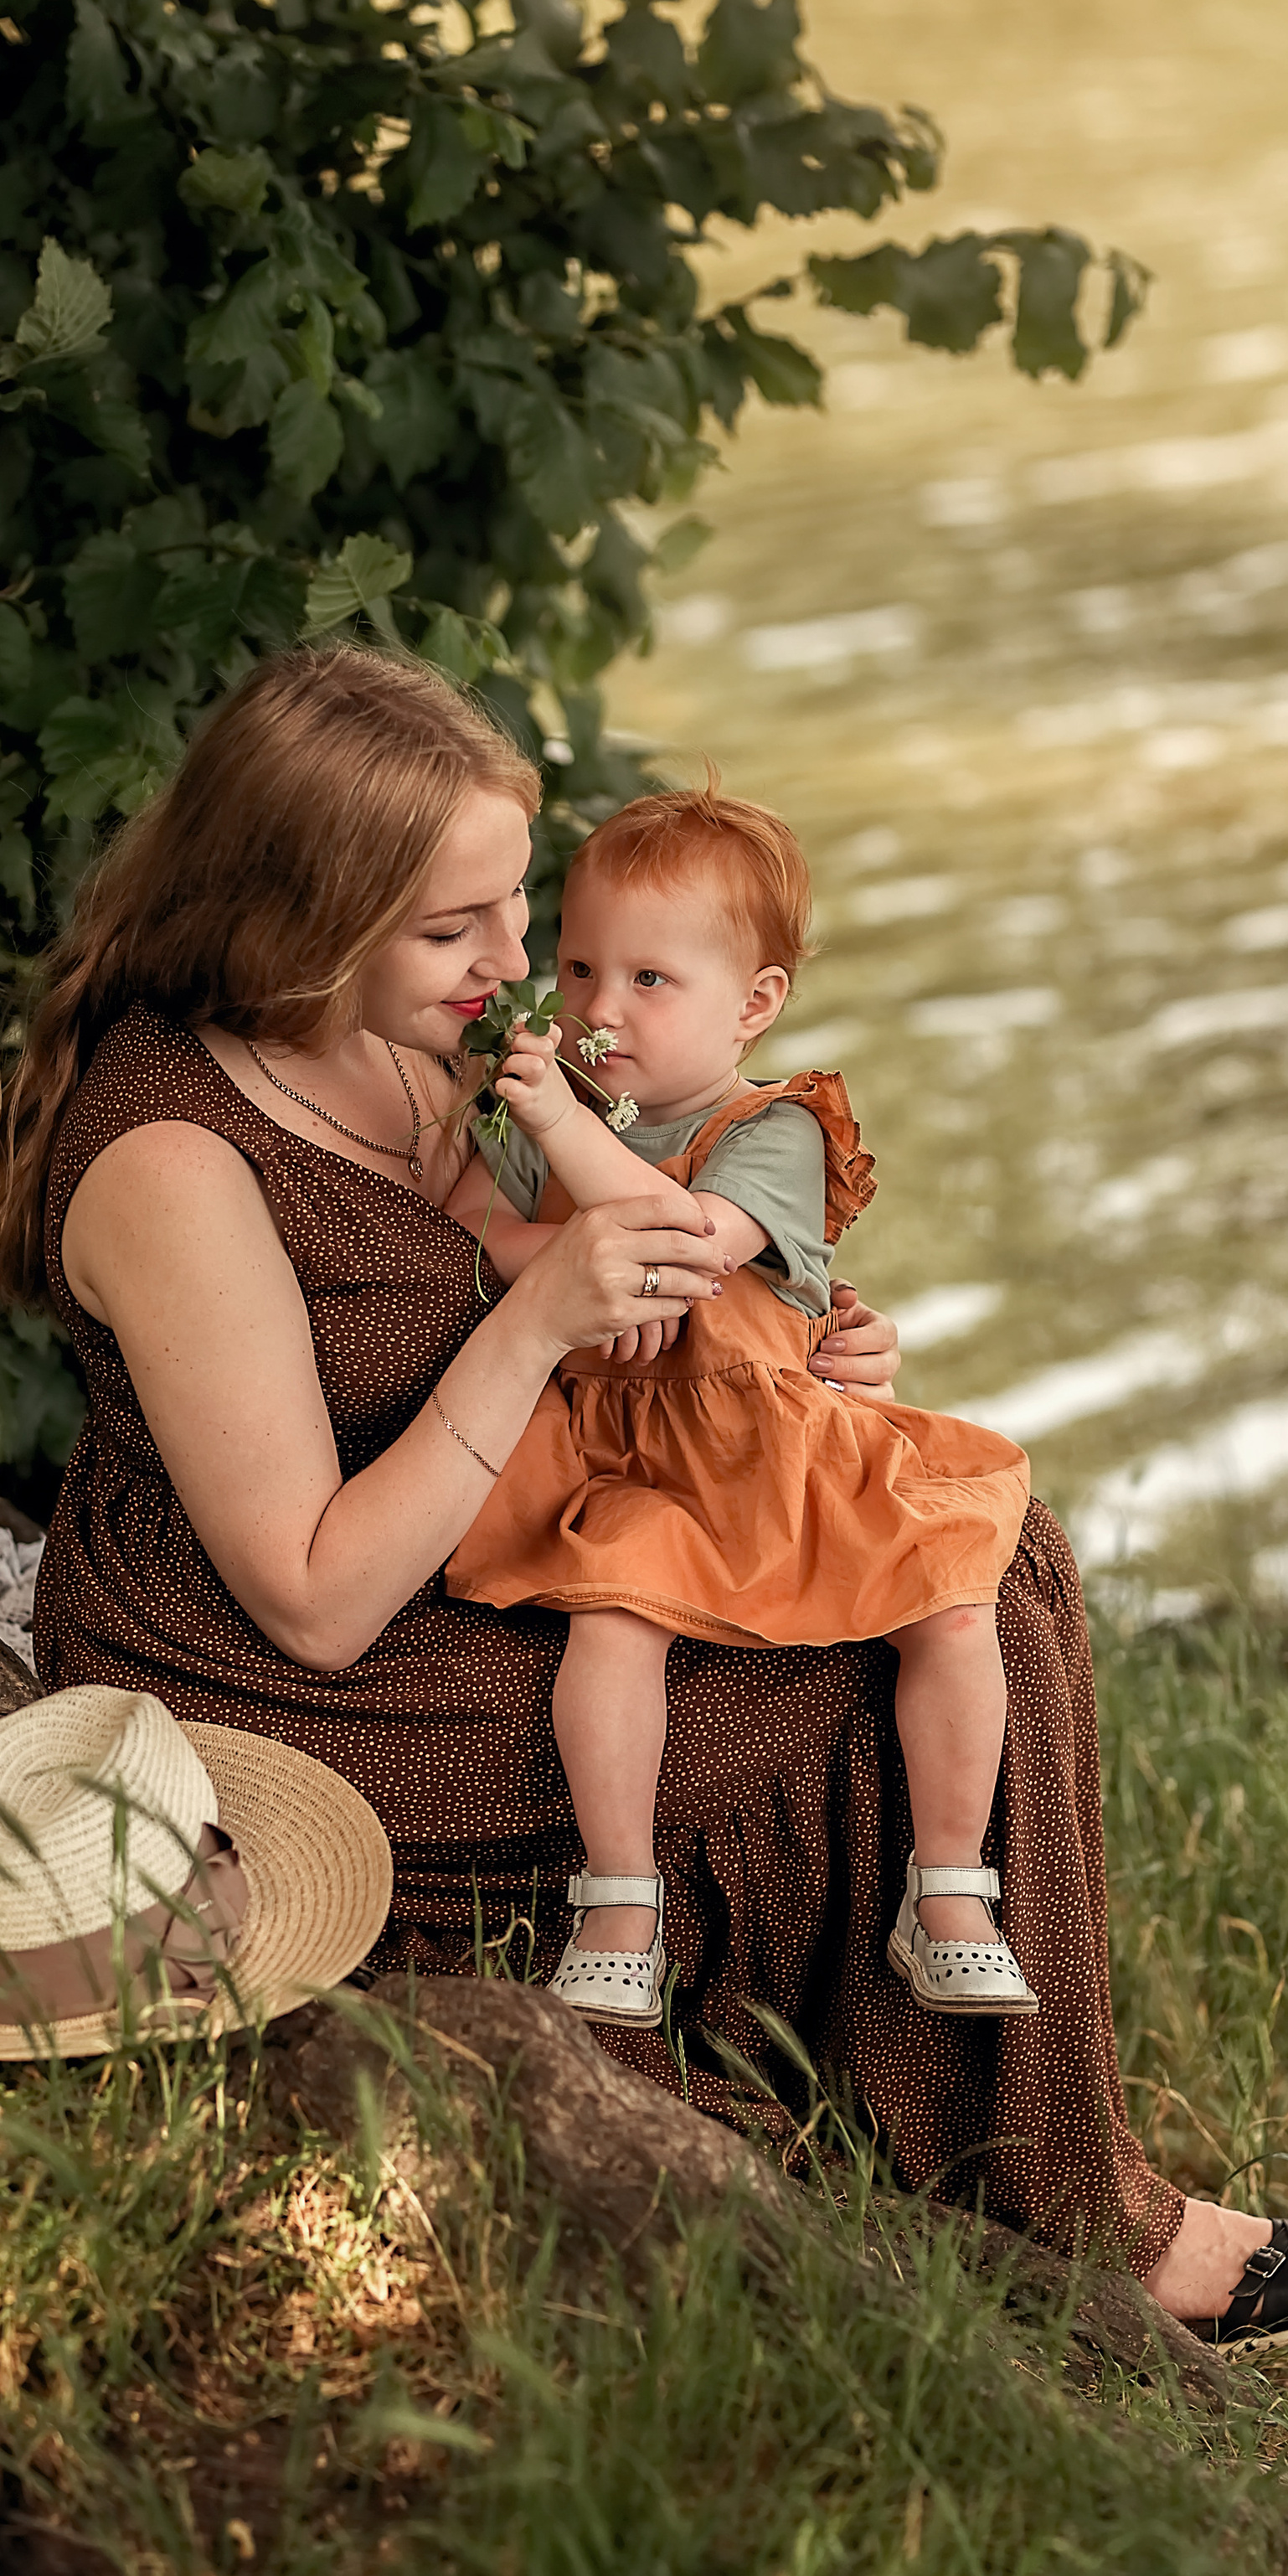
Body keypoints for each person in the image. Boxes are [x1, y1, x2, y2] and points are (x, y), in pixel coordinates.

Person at [0, 638, 1288, 2352]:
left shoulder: (416, 1048)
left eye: (515, 909)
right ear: (298, 922)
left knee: (977, 1551)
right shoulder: (172, 1167)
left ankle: (1031, 2158)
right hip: (291, 1685)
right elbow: (313, 1595)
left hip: (490, 1549)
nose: (516, 969)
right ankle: (1048, 2196)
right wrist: (547, 1319)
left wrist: (800, 1351)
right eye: (457, 929)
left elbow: (640, 1269)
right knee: (867, 1647)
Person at [441, 783, 1038, 2037]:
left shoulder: (774, 1130)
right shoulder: (531, 1129)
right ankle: (618, 1903)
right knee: (614, 1618)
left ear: (752, 1005)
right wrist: (534, 1216)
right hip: (631, 1458)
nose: (601, 1008)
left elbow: (684, 1244)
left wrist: (556, 1133)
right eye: (582, 964)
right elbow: (464, 1226)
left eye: (652, 979)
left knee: (948, 1585)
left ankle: (949, 1885)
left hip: (769, 1446)